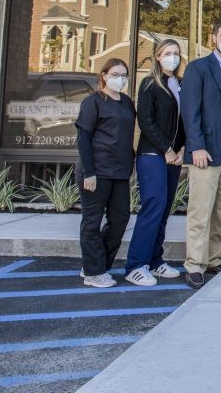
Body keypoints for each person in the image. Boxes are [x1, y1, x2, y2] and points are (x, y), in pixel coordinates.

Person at [180, 19, 221, 289]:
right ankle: (195, 263)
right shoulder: (198, 68)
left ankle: (216, 257)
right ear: (213, 37)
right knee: (200, 208)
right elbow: (189, 110)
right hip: (206, 147)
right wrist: (196, 146)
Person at [124, 40, 186, 286]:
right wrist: (167, 149)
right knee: (153, 207)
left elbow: (184, 121)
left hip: (174, 157)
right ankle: (135, 265)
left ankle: (155, 260)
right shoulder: (150, 83)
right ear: (157, 57)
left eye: (176, 53)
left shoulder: (179, 84)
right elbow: (146, 121)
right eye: (168, 53)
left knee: (164, 210)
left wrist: (181, 148)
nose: (173, 57)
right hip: (153, 156)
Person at [76, 58, 135, 288]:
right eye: (115, 74)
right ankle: (93, 272)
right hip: (96, 171)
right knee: (92, 222)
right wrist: (89, 172)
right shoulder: (93, 102)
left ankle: (99, 264)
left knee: (120, 219)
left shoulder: (127, 103)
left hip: (119, 172)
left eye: (123, 75)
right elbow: (83, 138)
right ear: (104, 75)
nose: (120, 78)